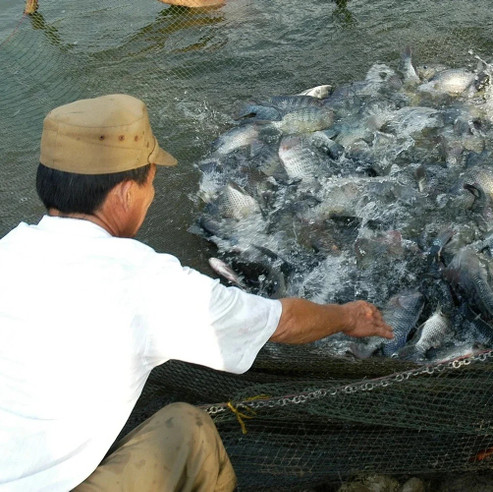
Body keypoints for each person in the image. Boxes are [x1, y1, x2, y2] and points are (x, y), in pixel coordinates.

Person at [0, 94, 394, 491]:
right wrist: (348, 316)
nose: (151, 197)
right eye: (150, 182)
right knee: (187, 429)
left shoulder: (7, 251)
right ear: (123, 193)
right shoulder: (146, 280)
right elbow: (283, 322)